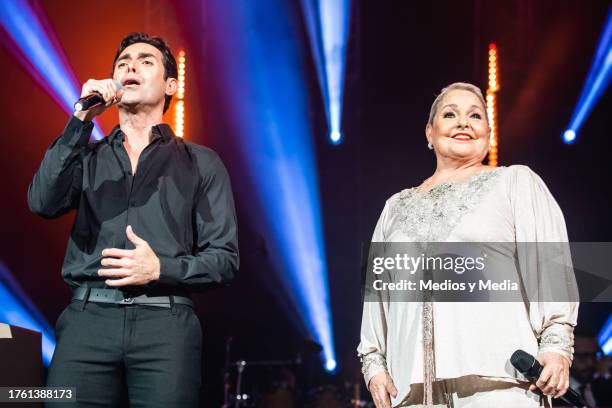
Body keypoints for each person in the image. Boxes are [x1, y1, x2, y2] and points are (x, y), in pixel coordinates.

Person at [28, 32, 238, 407]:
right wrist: (80, 120)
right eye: (123, 62)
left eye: (145, 60)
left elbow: (224, 258)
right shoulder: (87, 156)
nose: (130, 65)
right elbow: (42, 201)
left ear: (171, 84)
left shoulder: (200, 162)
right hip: (87, 319)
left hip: (166, 324)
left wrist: (161, 268)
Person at [358, 82, 578, 407]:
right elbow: (378, 293)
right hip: (411, 391)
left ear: (487, 132)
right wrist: (374, 364)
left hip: (499, 383)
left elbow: (550, 266)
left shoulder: (515, 183)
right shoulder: (395, 207)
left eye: (475, 115)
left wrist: (556, 346)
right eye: (450, 114)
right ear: (429, 133)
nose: (463, 122)